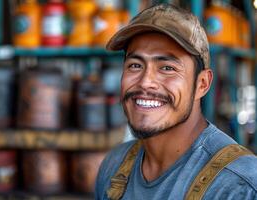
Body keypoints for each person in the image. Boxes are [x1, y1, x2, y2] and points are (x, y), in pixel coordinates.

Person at [95, 3, 257, 200]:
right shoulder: (114, 166)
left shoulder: (239, 186)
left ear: (202, 84)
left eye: (167, 68)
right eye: (135, 65)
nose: (146, 82)